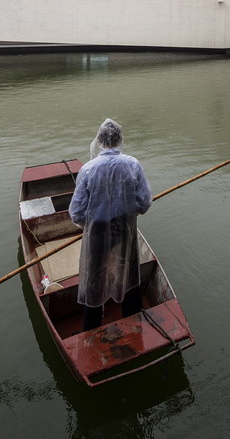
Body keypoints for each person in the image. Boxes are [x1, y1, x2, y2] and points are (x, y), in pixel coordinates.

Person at [68, 118, 153, 331]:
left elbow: (77, 212)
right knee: (128, 272)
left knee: (95, 276)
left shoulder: (88, 170)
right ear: (120, 139)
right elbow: (144, 203)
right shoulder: (132, 164)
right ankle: (133, 322)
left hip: (96, 233)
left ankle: (92, 329)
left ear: (99, 140)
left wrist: (86, 225)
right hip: (125, 230)